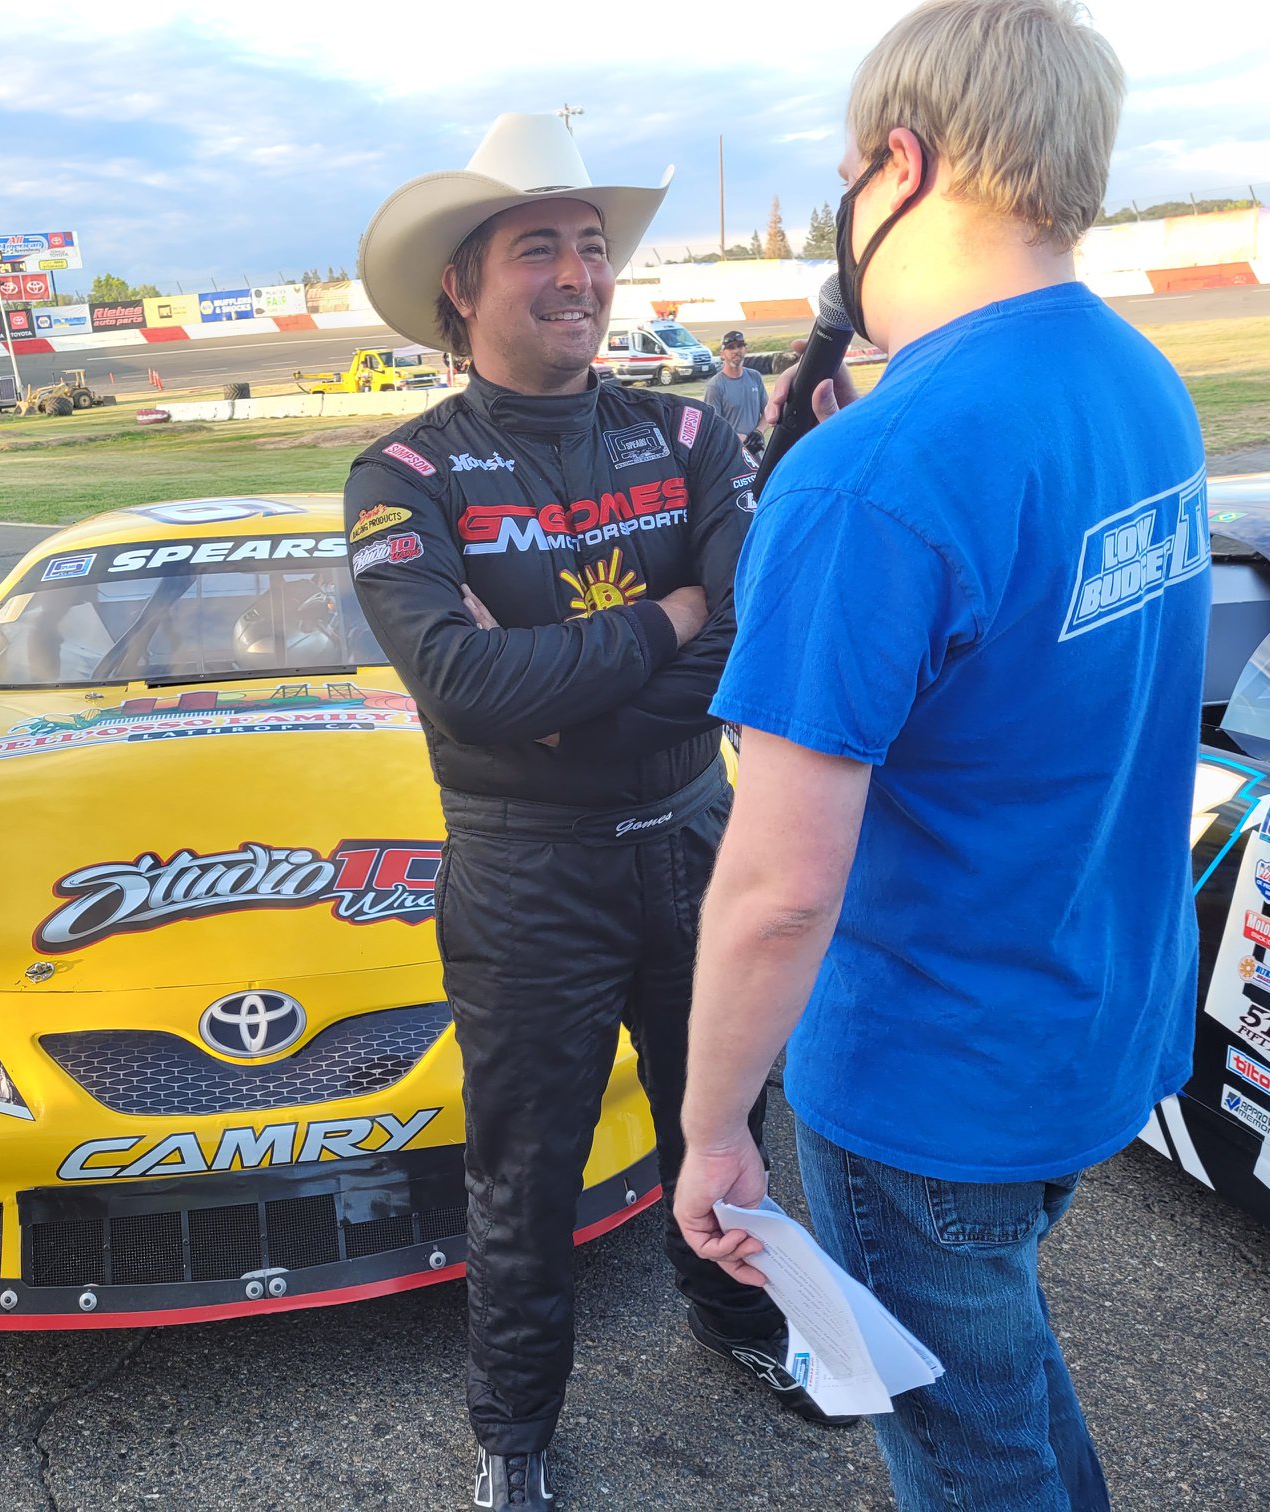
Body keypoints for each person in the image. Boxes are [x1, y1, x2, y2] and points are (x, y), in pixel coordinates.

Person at [671, 3, 1210, 1508]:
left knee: (972, 1463)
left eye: (849, 175)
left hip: (930, 1079)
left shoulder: (872, 478)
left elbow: (779, 888)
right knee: (1000, 1391)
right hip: (1090, 1021)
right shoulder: (1135, 378)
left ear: (900, 165)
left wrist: (713, 1130)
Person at [347, 112, 827, 1510]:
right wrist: (665, 616)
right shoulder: (402, 474)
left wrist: (557, 694)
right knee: (526, 1174)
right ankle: (514, 1433)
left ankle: (734, 1318)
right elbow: (461, 685)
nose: (577, 275)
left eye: (592, 246)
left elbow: (749, 636)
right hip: (526, 876)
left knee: (724, 1123)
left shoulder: (689, 430)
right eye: (537, 248)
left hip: (697, 841)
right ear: (461, 284)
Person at [701, 331, 770, 456]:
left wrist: (758, 432)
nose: (736, 351)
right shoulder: (715, 386)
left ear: (745, 350)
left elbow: (767, 411)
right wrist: (740, 439)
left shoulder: (755, 377)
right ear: (722, 354)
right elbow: (712, 426)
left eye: (740, 346)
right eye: (731, 347)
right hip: (731, 455)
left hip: (757, 453)